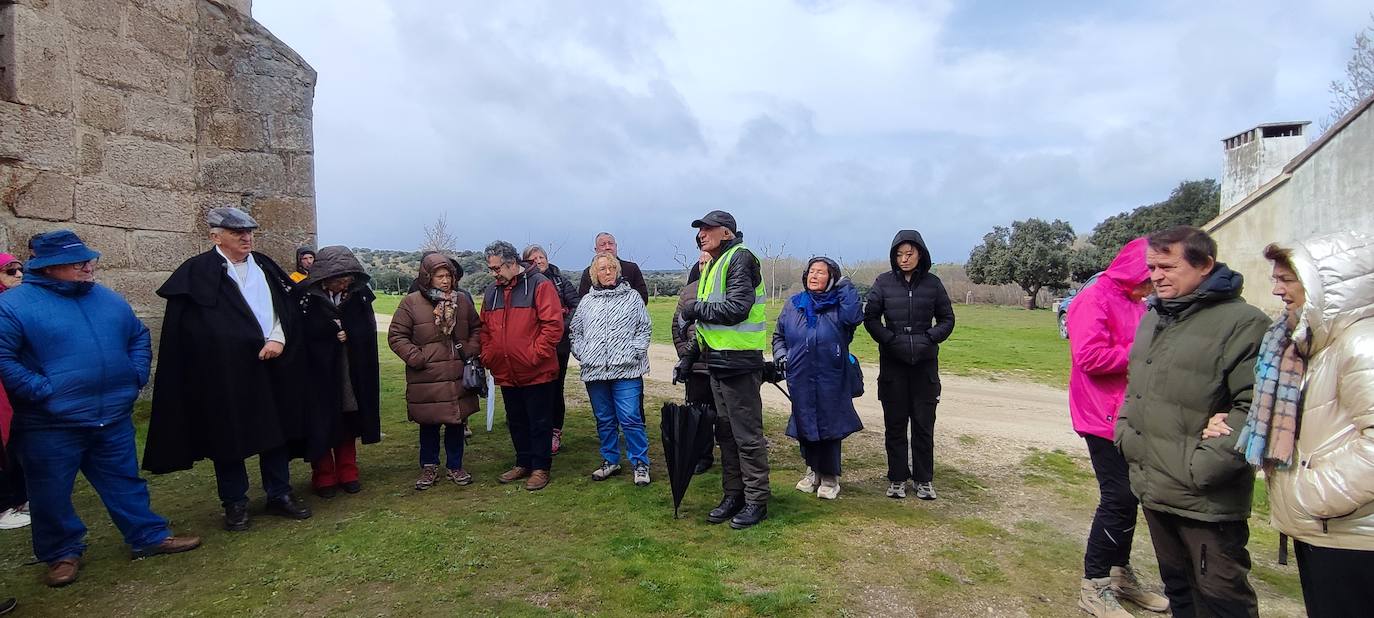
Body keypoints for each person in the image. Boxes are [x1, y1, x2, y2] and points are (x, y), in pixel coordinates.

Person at [0, 230, 201, 587]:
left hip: (112, 415)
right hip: (49, 423)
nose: (86, 265)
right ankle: (61, 553)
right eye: (75, 260)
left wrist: (134, 375)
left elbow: (137, 335)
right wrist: (42, 391)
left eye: (88, 258)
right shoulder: (15, 306)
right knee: (50, 492)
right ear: (47, 267)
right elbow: (3, 357)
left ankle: (148, 536)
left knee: (126, 481)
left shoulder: (107, 299)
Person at [1115, 226, 1269, 618]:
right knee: (1179, 591)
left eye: (1168, 266)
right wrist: (1127, 437)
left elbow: (1254, 406)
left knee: (1221, 600)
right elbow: (1138, 387)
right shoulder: (1155, 317)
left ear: (1205, 265)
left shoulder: (1244, 323)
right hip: (1154, 483)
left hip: (1205, 497)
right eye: (1152, 267)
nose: (1156, 276)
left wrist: (1202, 467)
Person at [144, 206, 313, 531]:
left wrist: (277, 338)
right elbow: (189, 330)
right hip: (222, 372)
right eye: (238, 233)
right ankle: (235, 502)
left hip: (272, 365)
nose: (246, 237)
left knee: (275, 431)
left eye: (249, 231)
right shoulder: (197, 272)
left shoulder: (264, 266)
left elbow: (286, 309)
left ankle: (279, 493)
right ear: (215, 235)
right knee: (227, 436)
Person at [1232, 233, 1374, 618]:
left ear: (1327, 283)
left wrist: (1311, 495)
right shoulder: (1304, 343)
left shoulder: (1361, 346)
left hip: (1353, 536)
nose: (1276, 290)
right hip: (1326, 530)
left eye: (1286, 280)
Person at [1065, 238, 1169, 617]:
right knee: (1118, 498)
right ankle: (1093, 585)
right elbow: (1089, 356)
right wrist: (1145, 354)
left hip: (1132, 412)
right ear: (1133, 269)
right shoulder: (1094, 299)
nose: (1153, 284)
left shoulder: (1136, 302)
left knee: (1131, 497)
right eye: (1149, 275)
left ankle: (1119, 574)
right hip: (1100, 415)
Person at [678, 210, 771, 529]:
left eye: (708, 229)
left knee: (747, 437)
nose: (701, 234)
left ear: (727, 233)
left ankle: (757, 500)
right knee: (727, 436)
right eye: (700, 230)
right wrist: (690, 356)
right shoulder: (714, 265)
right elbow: (706, 326)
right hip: (718, 362)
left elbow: (736, 309)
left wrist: (694, 308)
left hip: (740, 364)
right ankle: (734, 495)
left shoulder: (740, 259)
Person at [863, 230, 955, 500]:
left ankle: (924, 479)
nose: (904, 259)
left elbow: (947, 319)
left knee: (924, 426)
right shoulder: (883, 283)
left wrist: (929, 338)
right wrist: (890, 340)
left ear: (920, 254)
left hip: (925, 366)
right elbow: (870, 319)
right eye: (899, 254)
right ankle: (897, 478)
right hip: (893, 365)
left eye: (909, 254)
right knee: (895, 424)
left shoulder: (933, 284)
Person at [772, 257, 864, 500]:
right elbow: (779, 335)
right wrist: (782, 356)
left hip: (831, 374)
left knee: (830, 425)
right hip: (800, 374)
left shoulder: (840, 307)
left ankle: (830, 476)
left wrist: (845, 286)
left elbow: (855, 317)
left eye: (821, 273)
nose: (814, 276)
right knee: (805, 423)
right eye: (811, 271)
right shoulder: (794, 304)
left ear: (831, 278)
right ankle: (812, 470)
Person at [389, 253, 483, 489]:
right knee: (428, 423)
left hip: (456, 373)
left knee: (455, 421)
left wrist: (470, 350)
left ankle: (455, 465)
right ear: (427, 277)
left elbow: (476, 328)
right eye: (439, 276)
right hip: (427, 376)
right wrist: (416, 357)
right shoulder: (411, 303)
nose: (445, 281)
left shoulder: (462, 300)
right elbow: (397, 336)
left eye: (448, 276)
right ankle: (429, 467)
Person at [296, 246, 381, 498]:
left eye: (348, 279)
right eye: (340, 280)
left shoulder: (359, 295)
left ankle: (348, 471)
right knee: (321, 420)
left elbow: (367, 330)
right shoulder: (305, 298)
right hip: (318, 373)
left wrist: (351, 335)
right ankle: (323, 475)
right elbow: (298, 335)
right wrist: (329, 336)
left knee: (348, 420)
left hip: (348, 370)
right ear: (325, 278)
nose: (345, 285)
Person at [480, 241, 564, 491]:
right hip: (505, 370)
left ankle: (540, 468)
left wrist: (534, 355)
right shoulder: (491, 292)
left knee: (539, 421)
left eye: (496, 269)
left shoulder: (540, 285)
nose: (494, 274)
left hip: (536, 370)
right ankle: (523, 462)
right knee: (515, 419)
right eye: (491, 269)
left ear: (511, 263)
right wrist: (489, 355)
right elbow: (484, 328)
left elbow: (553, 325)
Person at [571, 252, 653, 485]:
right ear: (594, 274)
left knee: (630, 417)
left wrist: (634, 351)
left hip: (627, 370)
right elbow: (576, 331)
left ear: (617, 270)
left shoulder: (632, 298)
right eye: (602, 269)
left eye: (611, 268)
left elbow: (644, 328)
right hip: (595, 370)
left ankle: (640, 463)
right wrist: (583, 353)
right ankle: (610, 460)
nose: (607, 272)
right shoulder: (587, 301)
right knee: (605, 419)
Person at [523, 245, 579, 456]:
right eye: (533, 258)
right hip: (531, 344)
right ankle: (534, 429)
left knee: (555, 388)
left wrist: (562, 325)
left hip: (559, 345)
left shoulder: (559, 280)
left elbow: (576, 304)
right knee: (533, 389)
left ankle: (555, 430)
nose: (538, 260)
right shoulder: (523, 283)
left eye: (541, 257)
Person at [672, 251, 716, 474]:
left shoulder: (727, 288)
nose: (703, 265)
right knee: (699, 413)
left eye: (707, 261)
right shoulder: (689, 291)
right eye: (700, 261)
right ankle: (702, 456)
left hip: (720, 363)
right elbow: (676, 326)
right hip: (696, 366)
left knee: (724, 415)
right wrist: (685, 355)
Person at [0, 253, 26, 531]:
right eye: (10, 271)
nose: (18, 275)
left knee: (18, 443)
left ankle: (19, 498)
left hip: (15, 389)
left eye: (20, 270)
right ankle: (4, 506)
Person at [576, 232, 649, 303]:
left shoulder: (631, 268)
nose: (607, 247)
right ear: (596, 249)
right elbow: (583, 301)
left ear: (616, 246)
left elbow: (643, 298)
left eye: (610, 244)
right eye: (603, 245)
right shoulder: (588, 272)